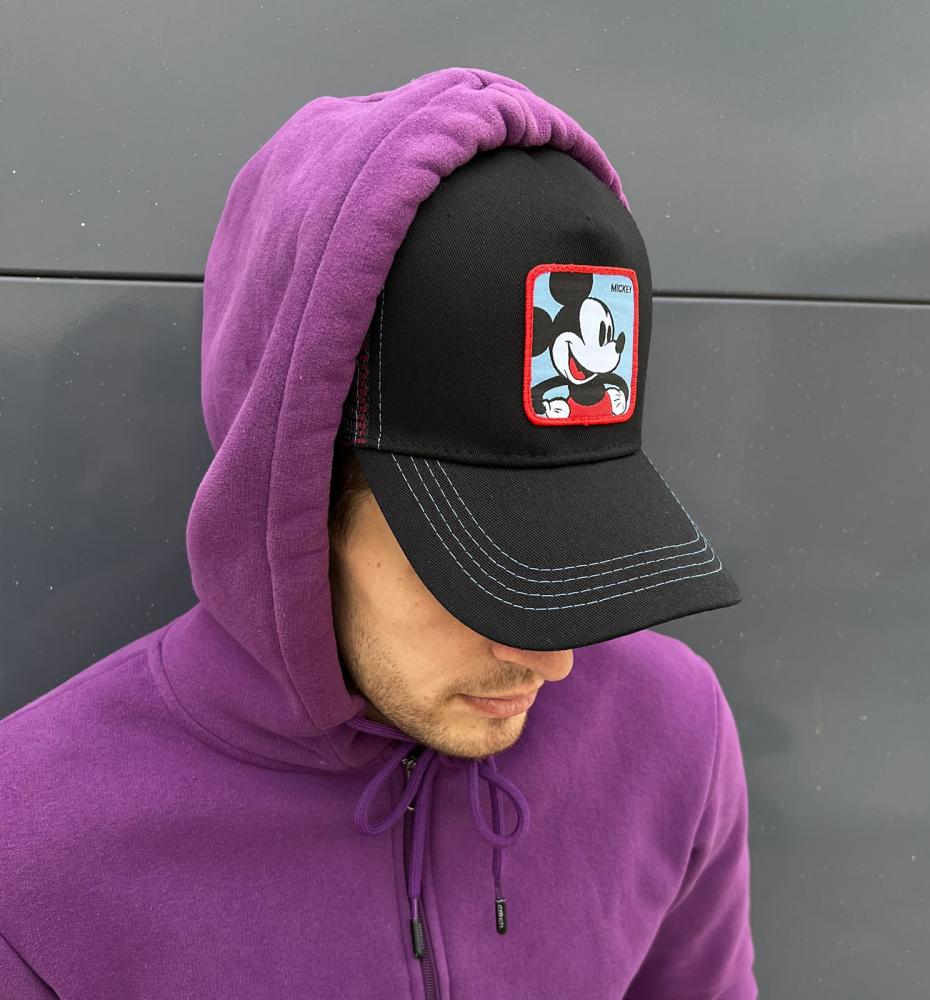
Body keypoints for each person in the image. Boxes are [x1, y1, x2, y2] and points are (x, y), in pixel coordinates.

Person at [0, 66, 758, 999]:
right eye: (477, 565)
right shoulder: (31, 853)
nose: (554, 660)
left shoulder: (672, 728)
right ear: (290, 501)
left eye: (579, 548)